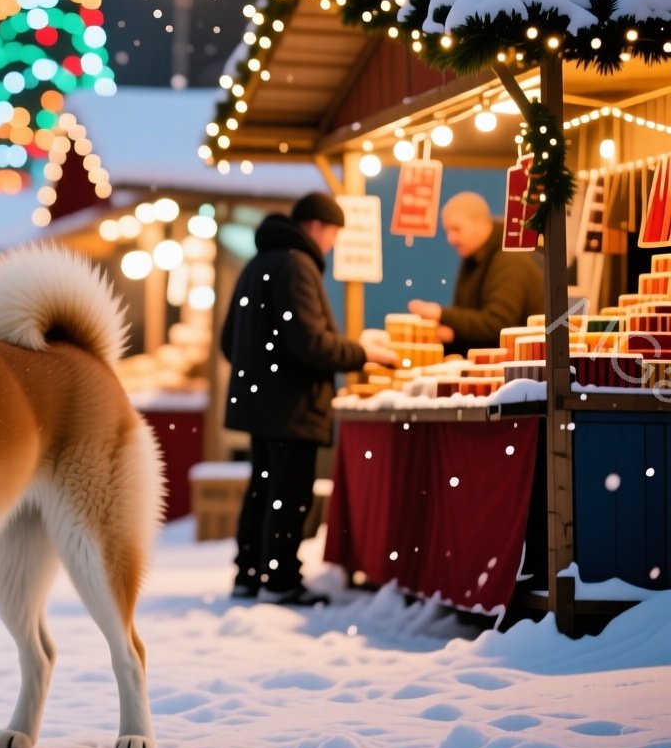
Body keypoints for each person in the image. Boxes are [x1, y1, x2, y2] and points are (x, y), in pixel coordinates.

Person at [221, 193, 398, 606]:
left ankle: (250, 573)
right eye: (334, 232)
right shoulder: (295, 266)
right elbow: (308, 341)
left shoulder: (257, 263)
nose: (333, 243)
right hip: (292, 407)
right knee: (289, 492)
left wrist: (261, 376)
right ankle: (280, 580)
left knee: (262, 488)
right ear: (316, 226)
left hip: (261, 404)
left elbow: (230, 340)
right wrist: (362, 353)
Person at [408, 191, 545, 355]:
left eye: (456, 229)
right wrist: (452, 335)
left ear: (480, 223)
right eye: (448, 231)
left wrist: (440, 313)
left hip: (519, 372)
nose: (450, 239)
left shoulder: (510, 259)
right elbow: (477, 323)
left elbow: (498, 325)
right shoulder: (474, 258)